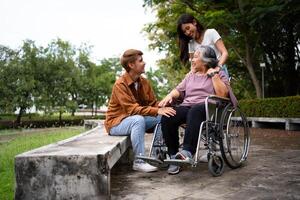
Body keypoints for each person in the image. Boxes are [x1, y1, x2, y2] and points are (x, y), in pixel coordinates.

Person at [159, 46, 236, 175]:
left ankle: (187, 151)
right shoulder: (191, 76)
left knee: (194, 111)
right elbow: (179, 89)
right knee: (168, 115)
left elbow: (223, 95)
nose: (192, 60)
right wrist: (170, 96)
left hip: (208, 109)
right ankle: (173, 157)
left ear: (205, 61)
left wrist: (214, 75)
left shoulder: (218, 73)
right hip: (189, 107)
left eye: (195, 57)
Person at [105, 49, 176, 173]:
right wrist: (156, 110)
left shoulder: (144, 82)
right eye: (141, 61)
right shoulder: (120, 84)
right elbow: (132, 110)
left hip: (135, 119)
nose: (144, 63)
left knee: (164, 117)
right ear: (131, 65)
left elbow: (153, 103)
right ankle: (139, 162)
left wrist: (165, 104)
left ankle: (156, 155)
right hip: (116, 123)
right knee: (137, 120)